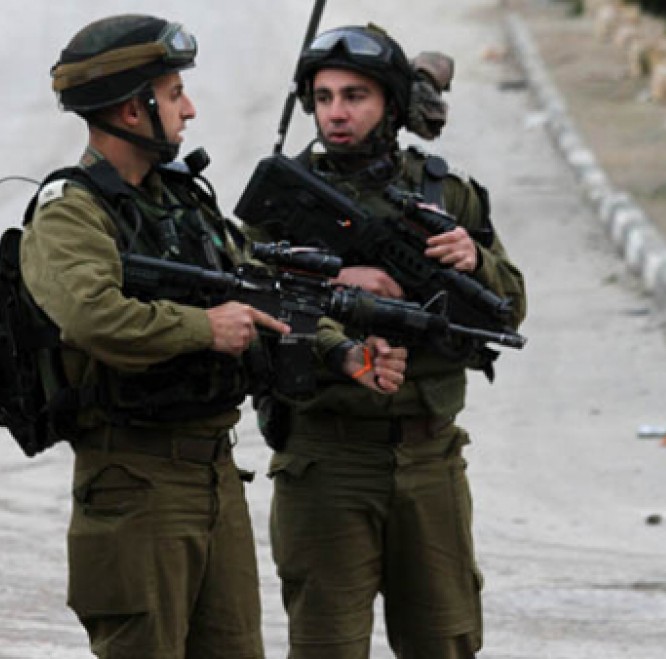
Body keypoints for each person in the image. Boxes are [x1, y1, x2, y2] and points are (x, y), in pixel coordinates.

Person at [18, 14, 292, 658]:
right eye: (173, 94)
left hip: (215, 473)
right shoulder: (70, 211)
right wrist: (204, 328)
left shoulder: (182, 201)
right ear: (130, 110)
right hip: (135, 482)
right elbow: (92, 316)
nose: (188, 109)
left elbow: (254, 291)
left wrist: (344, 343)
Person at [254, 24, 527, 658]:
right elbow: (251, 304)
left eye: (355, 96)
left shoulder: (444, 194)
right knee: (326, 644)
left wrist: (474, 260)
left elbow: (510, 310)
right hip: (326, 457)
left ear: (392, 106)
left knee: (444, 639)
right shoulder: (283, 196)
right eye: (324, 98)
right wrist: (337, 284)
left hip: (429, 457)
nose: (336, 113)